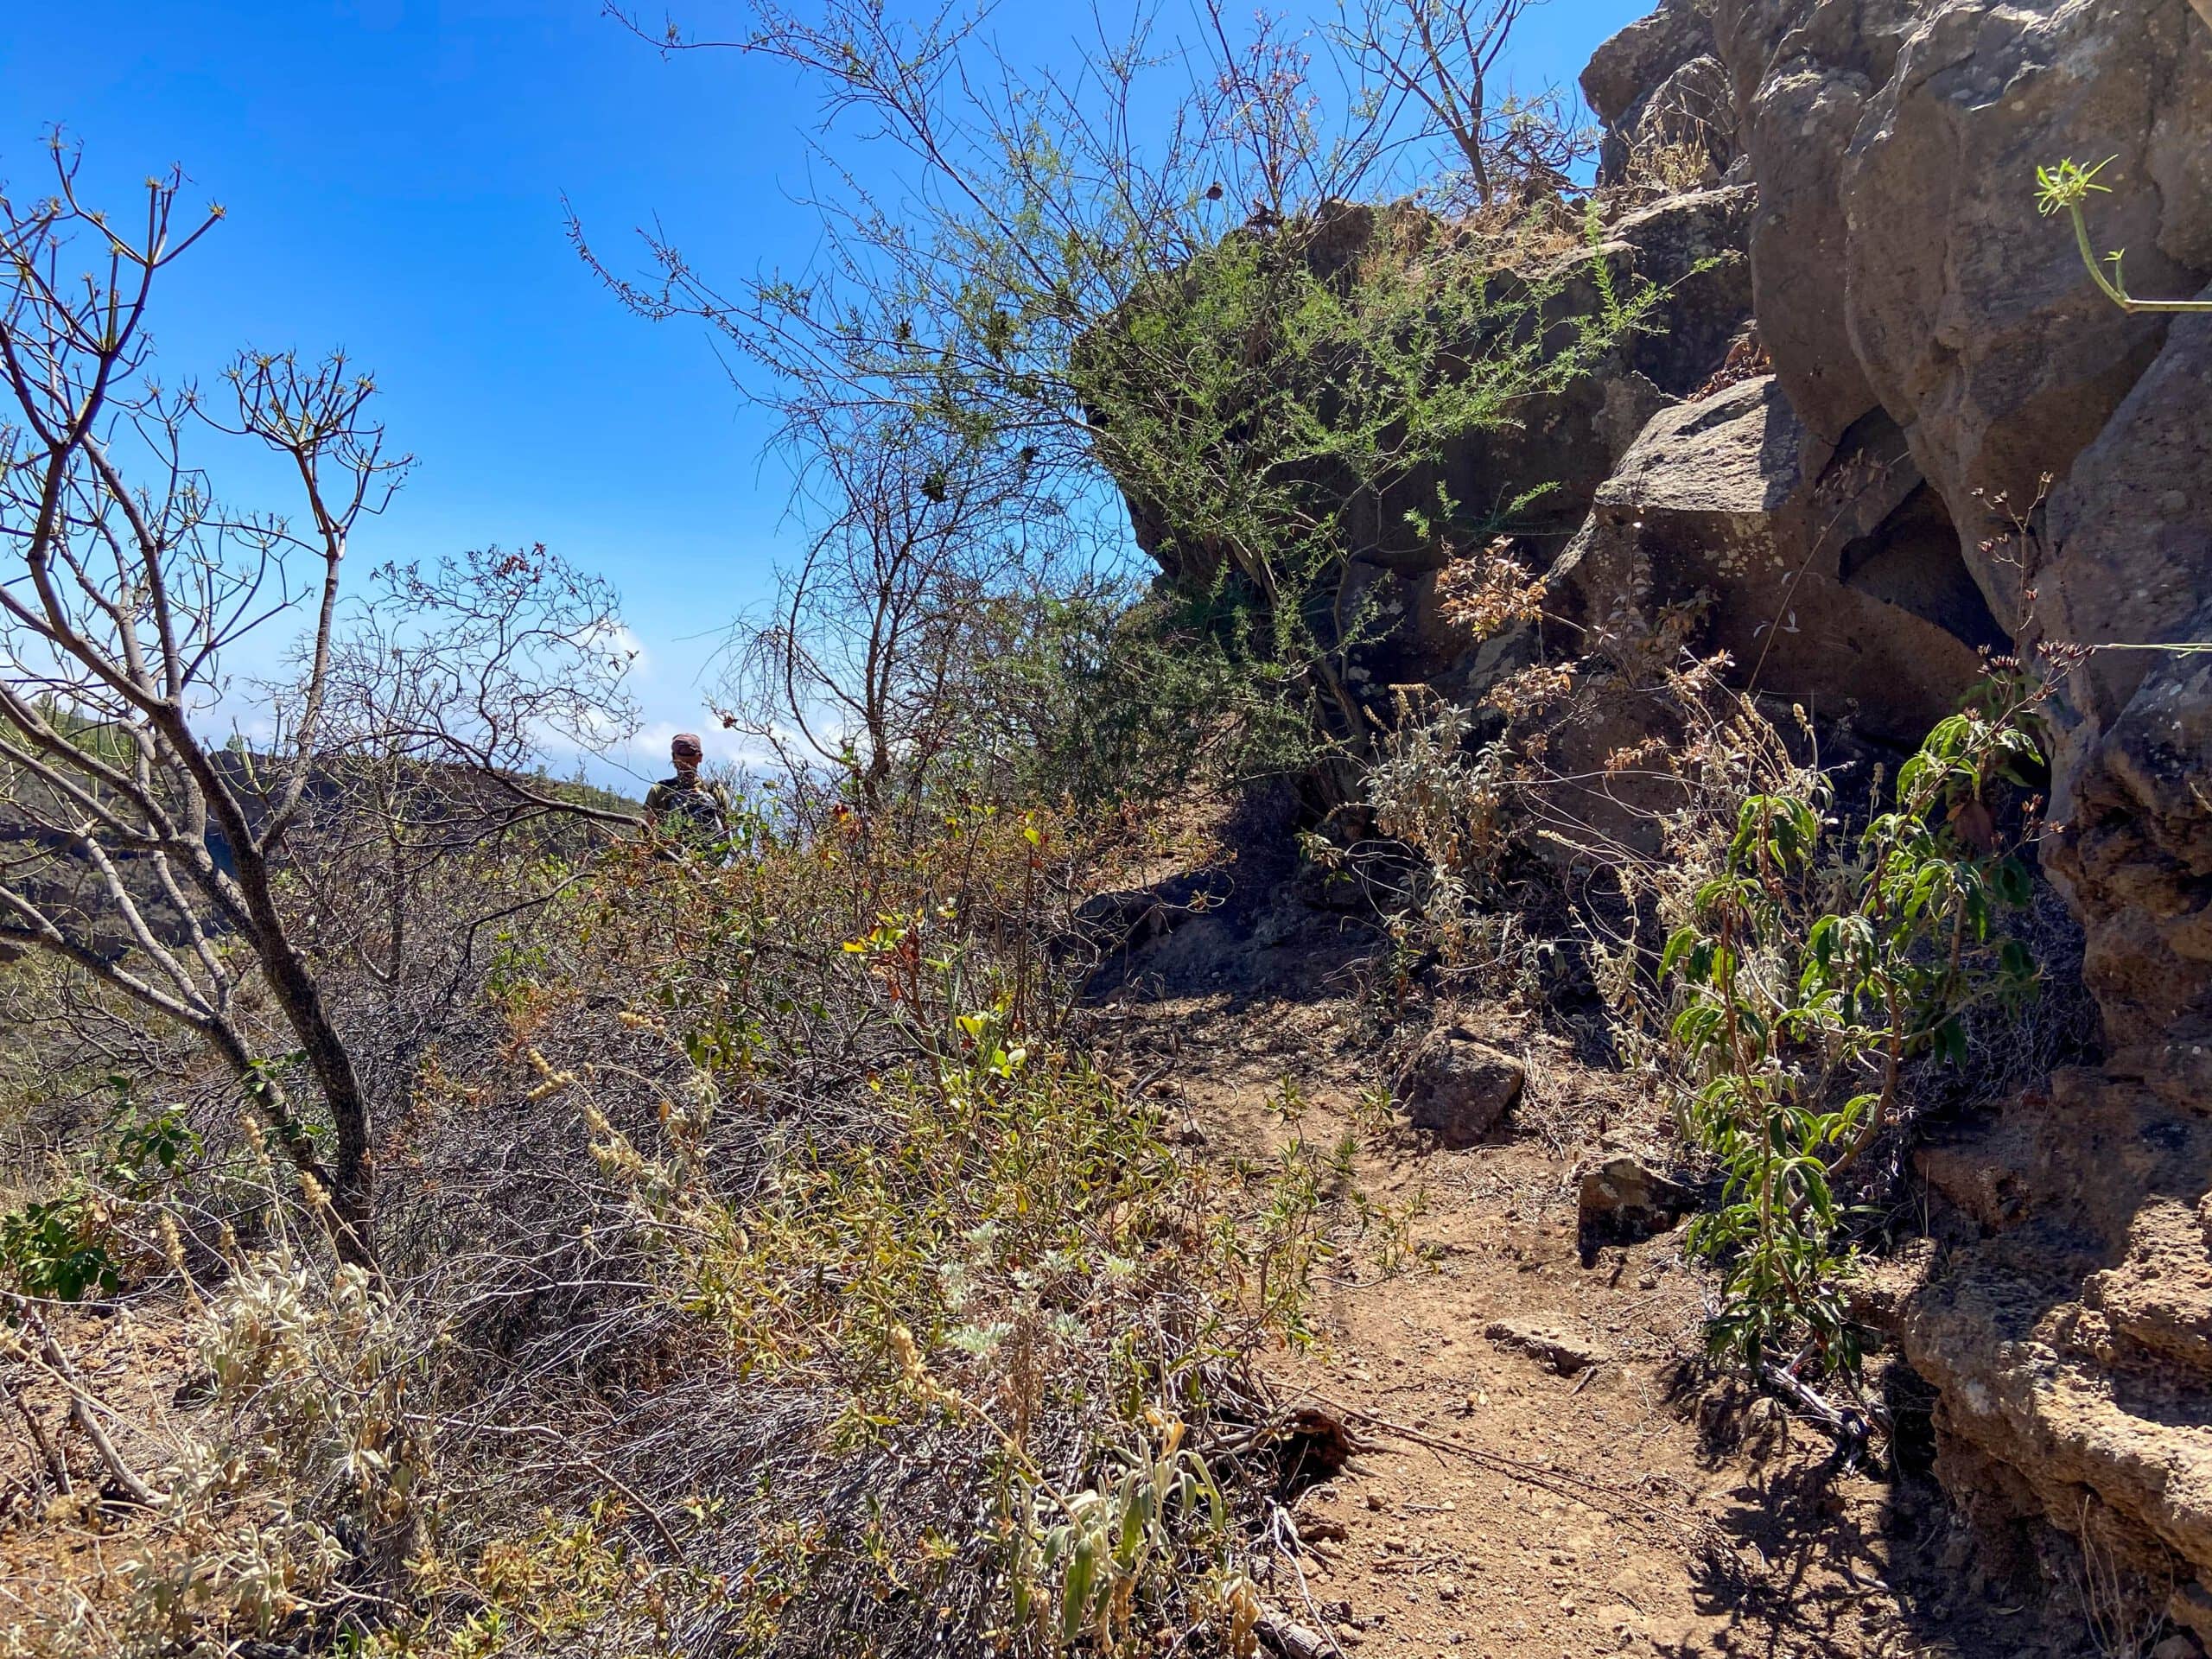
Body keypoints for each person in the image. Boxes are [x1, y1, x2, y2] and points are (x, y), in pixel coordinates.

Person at [643, 733, 732, 854]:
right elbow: (727, 828)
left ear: (673, 757)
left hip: (672, 860)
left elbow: (648, 830)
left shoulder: (661, 789)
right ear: (700, 757)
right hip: (709, 861)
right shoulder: (714, 789)